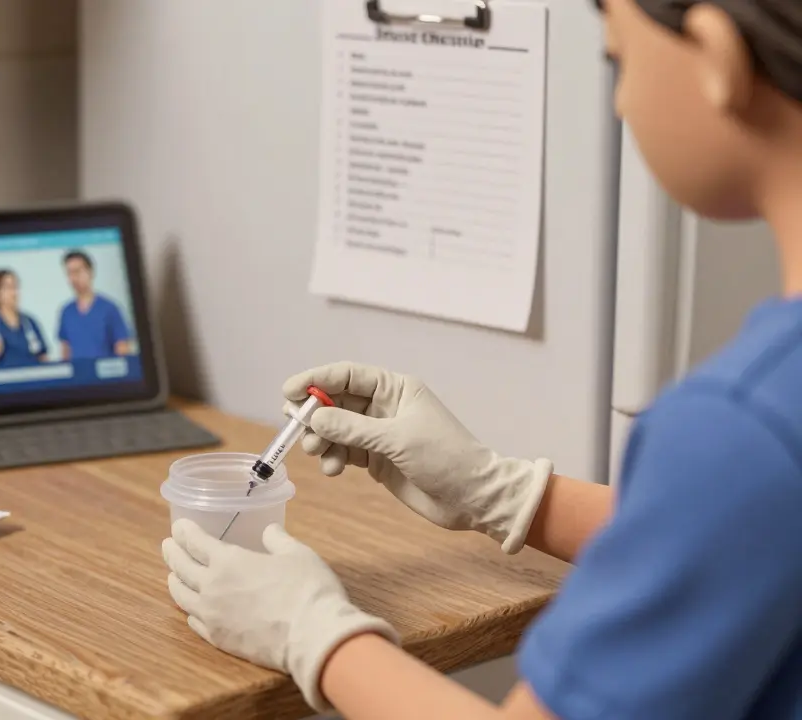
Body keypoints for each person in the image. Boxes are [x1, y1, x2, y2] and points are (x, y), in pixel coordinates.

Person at [161, 1, 802, 718]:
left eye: (618, 60)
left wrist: (317, 636)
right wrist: (504, 492)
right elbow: (747, 540)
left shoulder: (740, 425)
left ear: (716, 59)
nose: (621, 100)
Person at [56, 250, 132, 360]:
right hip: (78, 375)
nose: (73, 278)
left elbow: (122, 349)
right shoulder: (66, 312)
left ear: (90, 272)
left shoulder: (110, 309)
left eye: (77, 272)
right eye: (69, 273)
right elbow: (65, 351)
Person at [0, 269, 49, 369]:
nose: (14, 292)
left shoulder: (30, 322)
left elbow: (43, 357)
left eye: (15, 287)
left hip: (32, 381)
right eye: (8, 288)